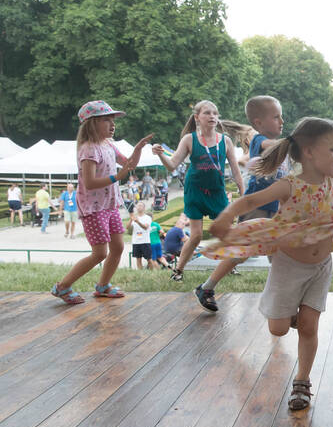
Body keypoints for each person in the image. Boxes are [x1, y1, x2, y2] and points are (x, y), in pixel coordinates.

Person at [207, 117, 333, 410]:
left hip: (320, 268)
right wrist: (225, 217)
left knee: (309, 327)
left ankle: (302, 382)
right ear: (308, 152)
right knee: (278, 329)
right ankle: (288, 315)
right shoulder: (289, 185)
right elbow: (250, 202)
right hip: (288, 268)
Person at [189, 96, 286, 312]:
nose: (282, 121)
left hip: (273, 209)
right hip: (255, 207)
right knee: (241, 252)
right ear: (259, 123)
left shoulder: (280, 148)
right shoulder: (259, 140)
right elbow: (270, 146)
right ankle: (206, 288)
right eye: (276, 117)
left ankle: (283, 300)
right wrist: (293, 143)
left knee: (278, 256)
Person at [51, 100, 150, 304]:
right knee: (99, 253)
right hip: (94, 208)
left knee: (118, 248)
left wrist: (139, 148)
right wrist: (117, 177)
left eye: (113, 120)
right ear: (92, 123)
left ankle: (103, 286)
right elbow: (89, 183)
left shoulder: (108, 144)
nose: (112, 125)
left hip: (110, 205)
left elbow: (129, 164)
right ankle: (62, 287)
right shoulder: (89, 149)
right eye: (106, 120)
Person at [152, 100, 245, 290]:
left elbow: (236, 171)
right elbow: (172, 165)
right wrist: (160, 154)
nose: (212, 116)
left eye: (215, 113)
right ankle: (178, 271)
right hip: (195, 191)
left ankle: (229, 266)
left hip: (217, 192)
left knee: (226, 231)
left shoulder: (225, 141)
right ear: (197, 117)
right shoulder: (189, 139)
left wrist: (244, 195)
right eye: (207, 113)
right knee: (195, 236)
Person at [127, 201, 154, 269]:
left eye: (140, 206)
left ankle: (153, 272)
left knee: (149, 259)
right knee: (138, 259)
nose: (139, 207)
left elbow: (145, 227)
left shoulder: (147, 218)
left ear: (144, 208)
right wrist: (131, 219)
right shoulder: (134, 217)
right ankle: (141, 272)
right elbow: (127, 227)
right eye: (138, 206)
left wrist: (137, 222)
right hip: (136, 241)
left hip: (145, 241)